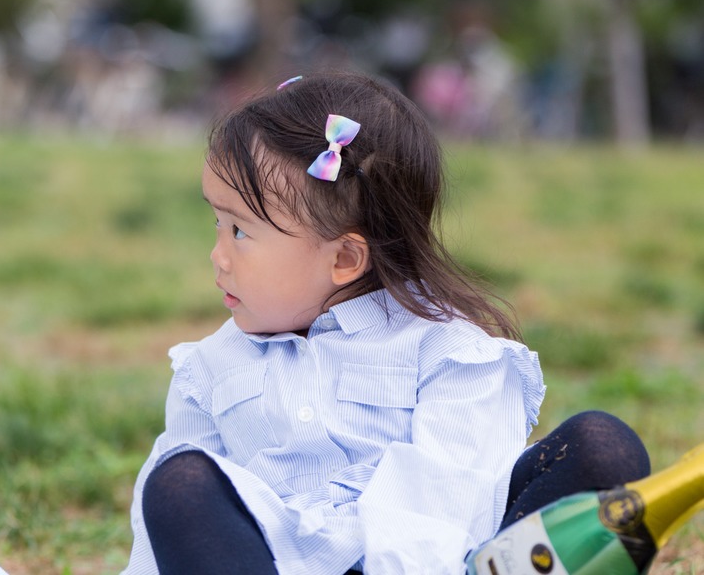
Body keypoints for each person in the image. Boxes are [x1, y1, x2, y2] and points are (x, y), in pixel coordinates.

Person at [122, 71, 650, 575]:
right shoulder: (210, 369)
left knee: (601, 448)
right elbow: (177, 543)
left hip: (436, 559)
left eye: (239, 231)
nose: (217, 255)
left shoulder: (447, 351)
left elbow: (446, 495)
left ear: (346, 259)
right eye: (218, 221)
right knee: (180, 481)